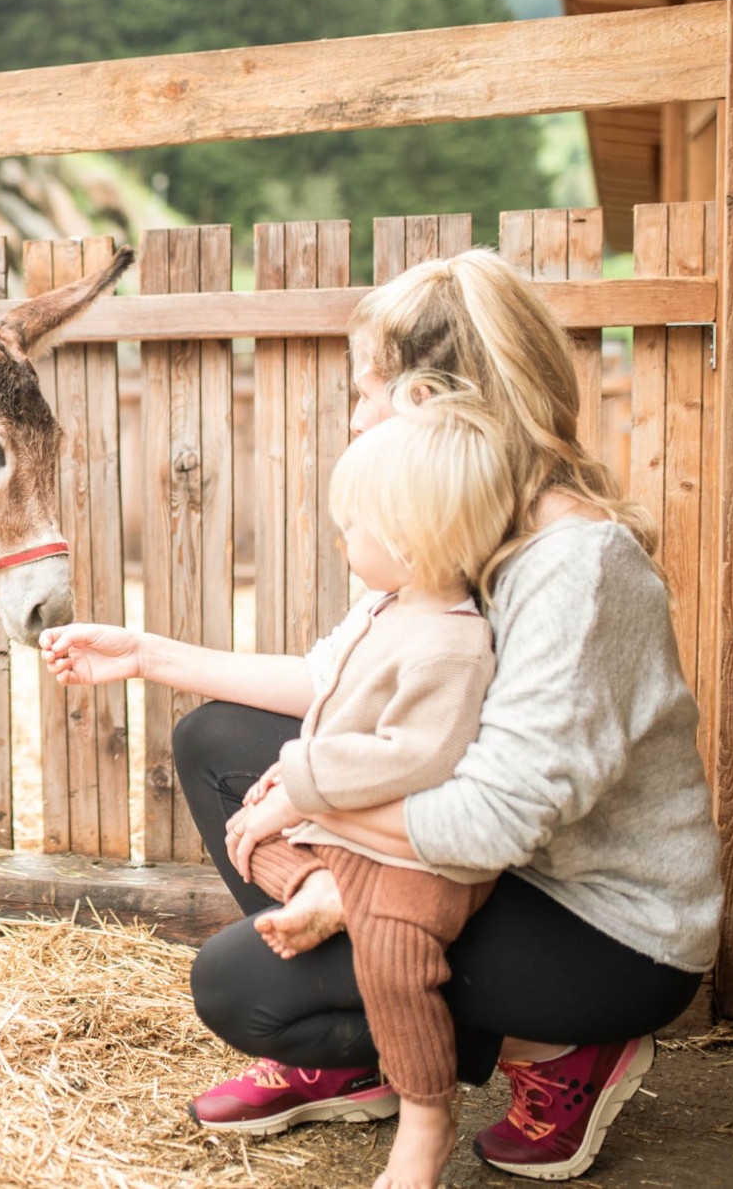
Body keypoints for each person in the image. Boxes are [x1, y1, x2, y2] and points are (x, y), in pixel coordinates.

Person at [38, 249, 723, 1183]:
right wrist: (149, 656)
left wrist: (309, 806)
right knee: (216, 740)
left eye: (363, 391)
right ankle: (366, 1054)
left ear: (429, 402)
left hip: (595, 925)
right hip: (482, 873)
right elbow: (338, 680)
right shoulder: (467, 526)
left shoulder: (576, 568)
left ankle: (561, 1051)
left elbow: (493, 821)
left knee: (243, 989)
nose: (353, 416)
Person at [226, 395, 513, 1189]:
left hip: (413, 859)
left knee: (394, 960)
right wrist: (297, 778)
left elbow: (415, 757)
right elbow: (336, 702)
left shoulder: (452, 644)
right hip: (347, 829)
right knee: (249, 831)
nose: (343, 539)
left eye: (354, 528)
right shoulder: (388, 609)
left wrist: (308, 777)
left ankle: (426, 1111)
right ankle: (322, 888)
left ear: (412, 541)